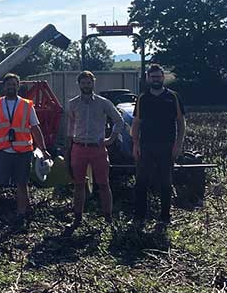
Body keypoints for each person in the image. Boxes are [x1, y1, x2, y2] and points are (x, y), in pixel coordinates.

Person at [0, 73, 47, 227]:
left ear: (18, 86)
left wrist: (43, 149)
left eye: (14, 84)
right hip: (1, 151)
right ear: (4, 87)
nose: (11, 87)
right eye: (8, 84)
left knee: (21, 184)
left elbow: (35, 128)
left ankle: (21, 214)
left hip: (22, 152)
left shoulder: (27, 105)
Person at [65, 71, 125, 228]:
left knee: (104, 184)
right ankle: (77, 217)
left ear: (93, 83)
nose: (86, 85)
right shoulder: (73, 104)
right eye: (83, 83)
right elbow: (70, 126)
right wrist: (69, 145)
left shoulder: (103, 102)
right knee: (78, 184)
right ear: (79, 84)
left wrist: (110, 139)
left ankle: (107, 217)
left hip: (98, 148)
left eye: (89, 83)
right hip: (78, 148)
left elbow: (119, 120)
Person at [130, 64, 186, 226]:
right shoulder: (143, 98)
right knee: (141, 181)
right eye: (153, 77)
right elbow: (136, 123)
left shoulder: (173, 97)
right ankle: (139, 216)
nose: (156, 79)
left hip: (167, 145)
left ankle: (165, 217)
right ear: (148, 78)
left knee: (166, 182)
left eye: (158, 77)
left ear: (163, 78)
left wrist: (178, 144)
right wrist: (135, 144)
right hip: (146, 145)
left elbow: (181, 122)